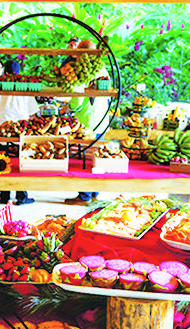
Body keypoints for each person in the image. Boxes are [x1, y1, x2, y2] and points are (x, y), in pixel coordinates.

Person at [0, 60, 39, 206]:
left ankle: (4, 197)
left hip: (1, 133)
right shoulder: (25, 88)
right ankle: (21, 197)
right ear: (19, 73)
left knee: (2, 164)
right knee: (21, 165)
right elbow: (33, 113)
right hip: (20, 133)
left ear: (5, 72)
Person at [63, 39, 110, 205]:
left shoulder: (83, 71)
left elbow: (77, 99)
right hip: (102, 120)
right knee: (95, 160)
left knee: (84, 161)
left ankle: (84, 196)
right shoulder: (101, 68)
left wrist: (67, 107)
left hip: (88, 122)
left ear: (81, 54)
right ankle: (94, 193)